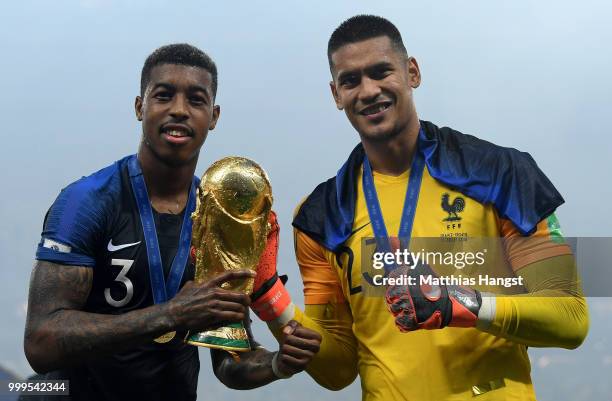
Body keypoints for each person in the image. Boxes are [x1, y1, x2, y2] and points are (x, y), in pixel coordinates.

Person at [249, 15, 589, 400]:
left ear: (412, 72)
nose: (368, 90)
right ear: (336, 94)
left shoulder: (499, 173)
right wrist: (268, 296)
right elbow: (338, 368)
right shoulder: (321, 215)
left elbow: (569, 317)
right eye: (351, 81)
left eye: (381, 72)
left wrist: (459, 304)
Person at [23, 43, 320, 401]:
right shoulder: (86, 202)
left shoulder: (222, 218)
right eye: (164, 96)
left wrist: (278, 363)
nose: (179, 110)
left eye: (196, 100)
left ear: (214, 115)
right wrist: (172, 314)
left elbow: (229, 362)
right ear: (139, 106)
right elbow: (40, 343)